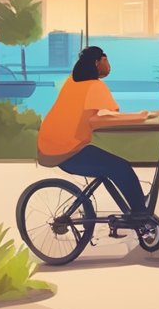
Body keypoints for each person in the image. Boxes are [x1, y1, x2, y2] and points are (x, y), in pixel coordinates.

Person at [38, 47, 151, 226]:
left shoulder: (73, 81)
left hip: (52, 145)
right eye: (106, 61)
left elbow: (95, 117)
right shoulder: (94, 85)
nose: (109, 66)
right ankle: (140, 215)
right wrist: (140, 116)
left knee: (111, 166)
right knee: (121, 167)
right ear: (98, 62)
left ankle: (137, 207)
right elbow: (109, 115)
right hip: (68, 149)